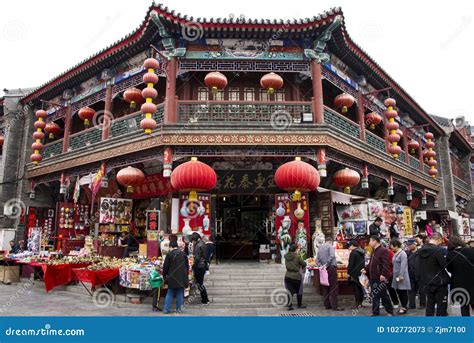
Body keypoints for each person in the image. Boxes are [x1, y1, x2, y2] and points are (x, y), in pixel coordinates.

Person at [417, 232, 449, 316]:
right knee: (441, 305)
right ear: (438, 240)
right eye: (441, 241)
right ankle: (440, 325)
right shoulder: (437, 251)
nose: (441, 243)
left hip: (426, 281)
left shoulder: (420, 251)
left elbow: (417, 266)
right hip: (439, 282)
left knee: (430, 303)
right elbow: (445, 265)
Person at [363, 236, 393, 316]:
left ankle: (390, 311)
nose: (369, 243)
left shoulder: (383, 250)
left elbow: (386, 264)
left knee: (383, 295)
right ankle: (375, 312)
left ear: (375, 241)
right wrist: (365, 269)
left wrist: (383, 274)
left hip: (379, 277)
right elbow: (371, 264)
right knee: (374, 295)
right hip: (373, 276)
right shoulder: (373, 251)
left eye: (370, 241)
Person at [446, 236, 474, 316]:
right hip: (472, 281)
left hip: (459, 283)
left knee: (464, 306)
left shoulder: (450, 254)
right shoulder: (471, 250)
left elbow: (449, 269)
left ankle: (467, 325)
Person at [317, 236, 344, 311]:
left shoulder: (320, 248)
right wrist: (327, 264)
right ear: (331, 241)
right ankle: (335, 306)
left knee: (325, 287)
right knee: (333, 287)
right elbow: (332, 256)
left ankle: (327, 305)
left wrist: (321, 266)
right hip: (331, 268)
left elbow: (317, 260)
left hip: (323, 269)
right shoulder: (330, 246)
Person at [162, 240, 189, 314]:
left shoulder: (169, 254)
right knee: (180, 292)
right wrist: (186, 276)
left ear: (170, 247)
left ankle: (166, 309)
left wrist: (164, 276)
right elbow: (187, 267)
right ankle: (178, 309)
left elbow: (165, 267)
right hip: (181, 277)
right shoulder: (183, 254)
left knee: (170, 292)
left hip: (172, 277)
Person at [390, 239, 411, 314]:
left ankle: (404, 307)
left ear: (396, 246)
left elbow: (403, 266)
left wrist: (401, 275)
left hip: (402, 276)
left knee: (403, 292)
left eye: (392, 246)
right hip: (396, 276)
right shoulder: (395, 253)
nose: (391, 247)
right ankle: (402, 305)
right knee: (399, 291)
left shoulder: (403, 254)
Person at [284, 243, 307, 310]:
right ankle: (299, 304)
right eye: (297, 248)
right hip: (296, 276)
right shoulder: (297, 256)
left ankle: (289, 305)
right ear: (296, 249)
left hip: (287, 275)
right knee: (299, 290)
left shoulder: (286, 256)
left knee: (289, 291)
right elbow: (304, 264)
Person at [190, 232, 209, 305]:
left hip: (199, 266)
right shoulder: (203, 243)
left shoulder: (198, 245)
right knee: (200, 283)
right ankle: (204, 299)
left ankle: (205, 299)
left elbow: (197, 259)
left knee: (200, 283)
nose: (193, 242)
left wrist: (193, 266)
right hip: (203, 265)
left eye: (193, 241)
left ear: (195, 239)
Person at [406, 239, 426, 309]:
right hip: (410, 273)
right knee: (410, 290)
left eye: (410, 245)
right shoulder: (407, 253)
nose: (409, 246)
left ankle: (423, 304)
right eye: (408, 245)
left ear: (415, 244)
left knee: (422, 290)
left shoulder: (421, 253)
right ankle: (412, 304)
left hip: (420, 273)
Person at [347, 240, 365, 309]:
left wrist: (348, 272)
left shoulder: (353, 253)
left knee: (356, 289)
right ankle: (360, 303)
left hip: (354, 274)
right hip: (360, 273)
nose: (348, 248)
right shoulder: (361, 251)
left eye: (349, 246)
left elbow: (351, 264)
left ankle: (357, 303)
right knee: (360, 288)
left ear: (352, 246)